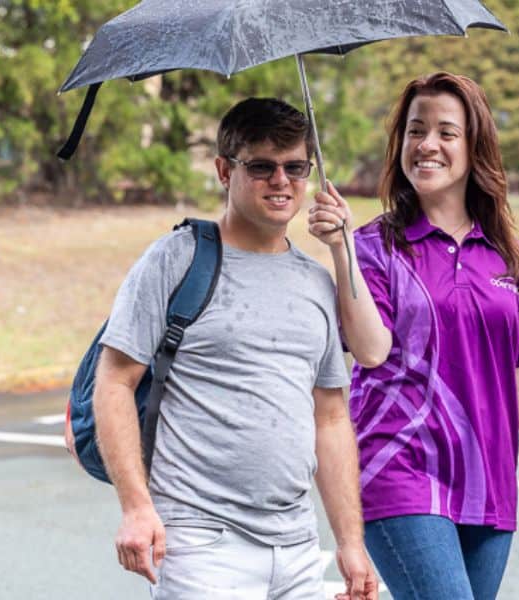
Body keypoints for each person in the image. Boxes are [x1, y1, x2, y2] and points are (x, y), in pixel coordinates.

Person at [93, 97, 377, 599]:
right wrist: (137, 507)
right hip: (200, 542)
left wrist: (350, 543)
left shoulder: (316, 282)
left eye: (295, 167)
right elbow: (115, 381)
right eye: (262, 167)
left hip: (296, 547)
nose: (281, 181)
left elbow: (330, 418)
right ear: (225, 171)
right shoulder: (176, 258)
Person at [308, 72, 519, 599]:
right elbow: (369, 349)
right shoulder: (373, 247)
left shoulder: (514, 261)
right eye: (415, 130)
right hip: (399, 469)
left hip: (489, 484)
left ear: (475, 148)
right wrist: (341, 251)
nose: (427, 144)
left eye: (446, 132)